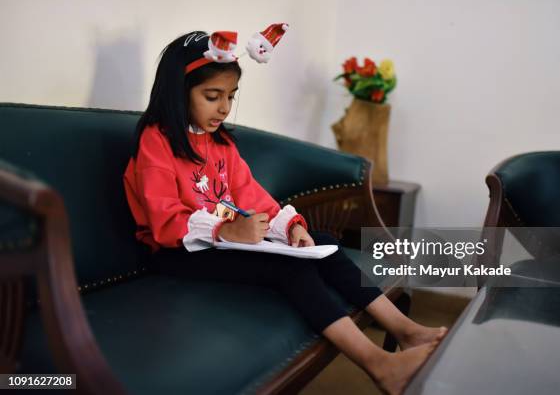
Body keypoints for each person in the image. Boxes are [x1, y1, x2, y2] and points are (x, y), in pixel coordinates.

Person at [123, 28, 446, 395]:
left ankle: (407, 330)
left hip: (221, 243)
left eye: (231, 96)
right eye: (212, 96)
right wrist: (227, 232)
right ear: (178, 95)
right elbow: (164, 219)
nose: (225, 108)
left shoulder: (221, 143)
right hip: (174, 252)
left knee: (320, 244)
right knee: (288, 268)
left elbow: (251, 194)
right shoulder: (157, 141)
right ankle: (380, 365)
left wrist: (289, 225)